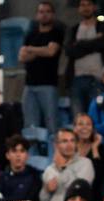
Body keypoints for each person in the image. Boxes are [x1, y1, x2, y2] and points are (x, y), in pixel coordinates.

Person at [21, 2, 64, 131]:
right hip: (29, 85)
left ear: (53, 14)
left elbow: (51, 52)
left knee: (51, 124)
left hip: (48, 85)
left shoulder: (57, 32)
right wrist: (42, 50)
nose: (44, 15)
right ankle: (32, 151)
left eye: (47, 11)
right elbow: (22, 57)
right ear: (37, 15)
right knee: (30, 126)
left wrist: (30, 49)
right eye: (41, 12)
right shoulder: (30, 34)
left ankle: (54, 151)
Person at [66, 0, 104, 115]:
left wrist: (80, 44)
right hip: (77, 79)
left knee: (98, 114)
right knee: (78, 116)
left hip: (98, 78)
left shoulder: (102, 26)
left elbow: (103, 44)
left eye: (89, 5)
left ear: (94, 7)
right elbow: (70, 51)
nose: (86, 8)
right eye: (83, 5)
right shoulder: (74, 29)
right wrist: (94, 42)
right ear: (79, 8)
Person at [41, 126, 96, 201]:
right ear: (56, 145)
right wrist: (47, 190)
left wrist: (62, 167)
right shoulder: (50, 169)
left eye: (72, 141)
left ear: (76, 144)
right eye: (64, 141)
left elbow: (78, 189)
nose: (69, 145)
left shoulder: (85, 163)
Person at [0, 135, 42, 201]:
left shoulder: (35, 177)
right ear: (7, 155)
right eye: (14, 151)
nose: (18, 155)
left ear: (27, 155)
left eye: (22, 151)